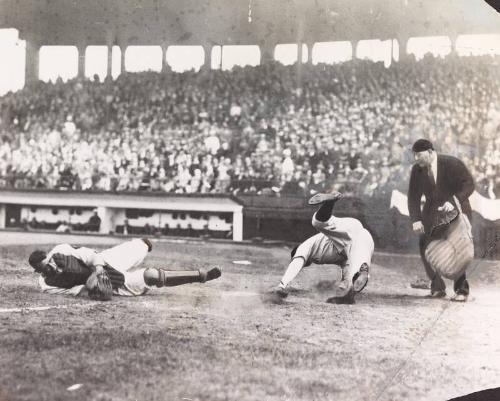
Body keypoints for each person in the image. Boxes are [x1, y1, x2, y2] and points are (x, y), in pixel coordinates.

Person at [28, 238, 221, 299]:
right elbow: (80, 291)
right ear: (38, 271)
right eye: (45, 268)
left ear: (49, 256)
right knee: (152, 275)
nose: (51, 267)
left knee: (145, 243)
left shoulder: (61, 250)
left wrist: (97, 270)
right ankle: (202, 276)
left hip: (106, 261)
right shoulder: (47, 284)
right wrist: (94, 285)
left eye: (49, 262)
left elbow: (93, 256)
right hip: (113, 283)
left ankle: (141, 249)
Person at [271, 192, 374, 304]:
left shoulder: (306, 246)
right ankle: (358, 276)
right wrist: (347, 286)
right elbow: (345, 264)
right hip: (358, 242)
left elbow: (297, 261)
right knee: (354, 270)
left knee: (318, 223)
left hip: (351, 232)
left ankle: (329, 203)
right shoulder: (322, 251)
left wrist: (282, 285)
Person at [408, 139, 474, 302]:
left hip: (457, 211)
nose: (416, 158)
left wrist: (452, 202)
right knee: (425, 245)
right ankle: (437, 287)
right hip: (431, 213)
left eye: (419, 154)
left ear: (430, 152)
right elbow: (413, 196)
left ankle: (461, 290)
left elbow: (469, 185)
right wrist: (416, 220)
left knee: (457, 249)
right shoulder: (417, 170)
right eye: (414, 155)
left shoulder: (452, 163)